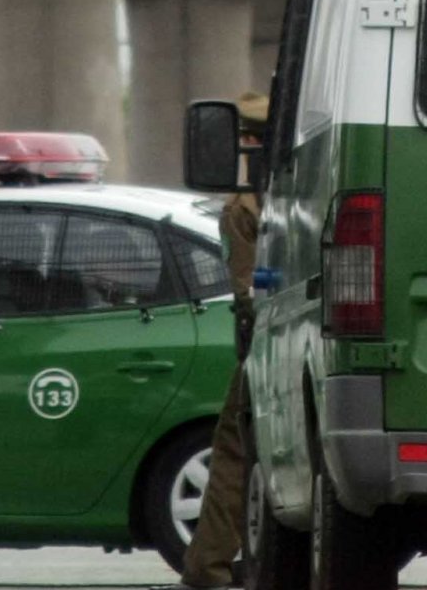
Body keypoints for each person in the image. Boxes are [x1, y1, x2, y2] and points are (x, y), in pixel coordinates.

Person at [175, 91, 269, 590]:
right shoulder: (305, 195)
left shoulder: (243, 207)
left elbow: (246, 291)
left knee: (233, 456)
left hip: (264, 348)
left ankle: (207, 569)